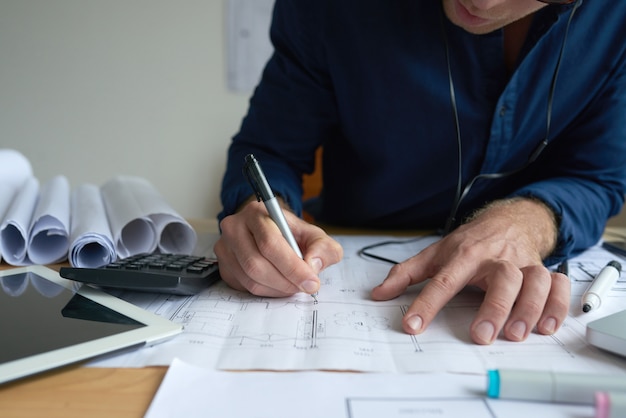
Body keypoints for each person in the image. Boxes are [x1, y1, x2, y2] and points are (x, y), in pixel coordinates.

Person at [214, 0, 626, 345]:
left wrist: (525, 224)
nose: (481, 1)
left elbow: (598, 177)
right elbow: (269, 149)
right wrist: (260, 212)